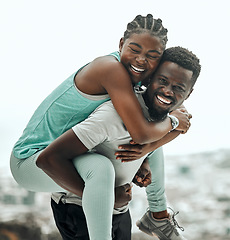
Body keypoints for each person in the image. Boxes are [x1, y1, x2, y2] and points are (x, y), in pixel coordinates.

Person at [10, 13, 192, 239]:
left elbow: (145, 133)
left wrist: (143, 156)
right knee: (100, 166)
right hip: (30, 161)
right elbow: (142, 133)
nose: (141, 60)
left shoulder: (134, 78)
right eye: (134, 49)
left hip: (63, 153)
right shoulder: (111, 69)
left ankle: (158, 215)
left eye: (152, 56)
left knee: (152, 119)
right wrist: (174, 122)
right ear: (121, 44)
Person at [43, 47, 201, 240]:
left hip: (119, 207)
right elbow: (51, 158)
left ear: (188, 93)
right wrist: (105, 198)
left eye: (178, 88)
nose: (168, 91)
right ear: (150, 77)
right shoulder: (113, 114)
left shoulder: (163, 113)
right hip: (78, 206)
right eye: (163, 81)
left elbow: (180, 124)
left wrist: (142, 158)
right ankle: (158, 217)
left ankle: (158, 217)